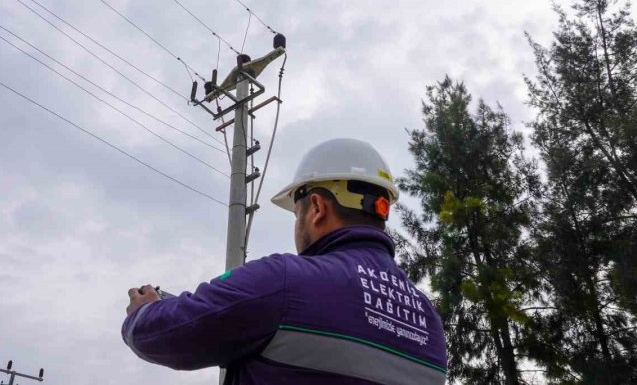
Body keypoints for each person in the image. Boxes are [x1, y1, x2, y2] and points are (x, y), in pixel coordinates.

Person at [122, 138, 448, 384]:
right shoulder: (429, 322)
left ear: (317, 207)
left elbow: (163, 334)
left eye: (297, 213)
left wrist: (144, 311)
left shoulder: (285, 282)